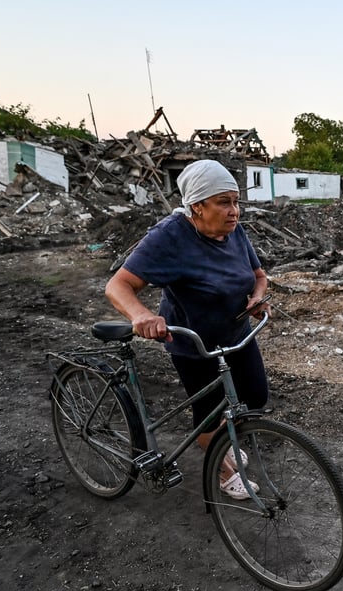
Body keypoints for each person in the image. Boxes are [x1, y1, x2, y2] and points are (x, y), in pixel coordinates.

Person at [105, 159, 270, 499]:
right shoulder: (169, 237)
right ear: (197, 205)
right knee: (208, 418)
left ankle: (226, 441)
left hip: (236, 334)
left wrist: (256, 298)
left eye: (236, 201)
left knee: (253, 397)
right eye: (224, 202)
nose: (234, 211)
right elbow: (118, 285)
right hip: (195, 343)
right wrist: (141, 316)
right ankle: (222, 470)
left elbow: (258, 276)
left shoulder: (233, 229)